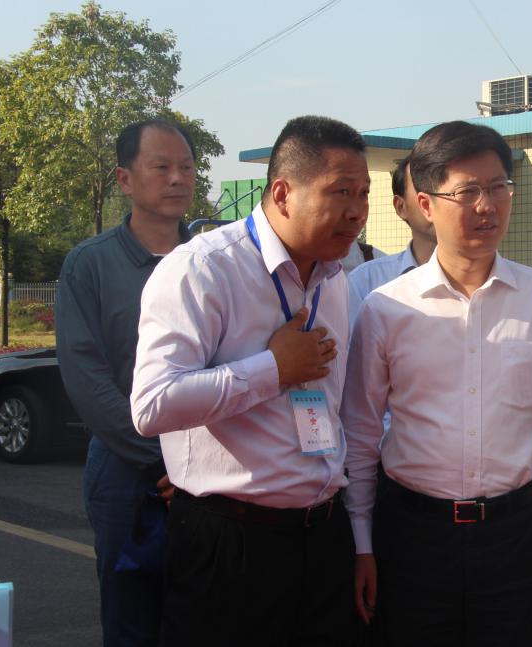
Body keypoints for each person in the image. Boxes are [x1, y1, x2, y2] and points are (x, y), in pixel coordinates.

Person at [343, 120, 532, 647]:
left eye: (499, 187)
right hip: (413, 537)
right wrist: (362, 543)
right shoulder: (386, 307)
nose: (488, 205)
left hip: (517, 535)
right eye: (467, 192)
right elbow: (361, 435)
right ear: (425, 204)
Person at [131, 115, 369, 645]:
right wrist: (274, 369)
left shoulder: (335, 280)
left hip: (322, 534)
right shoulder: (203, 269)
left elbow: (337, 408)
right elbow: (152, 405)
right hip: (231, 545)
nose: (356, 211)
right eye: (340, 192)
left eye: (363, 193)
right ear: (282, 194)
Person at [56, 119, 196, 647]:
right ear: (124, 179)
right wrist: (163, 461)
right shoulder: (89, 265)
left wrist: (196, 463)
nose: (177, 178)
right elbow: (87, 379)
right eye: (161, 167)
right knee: (130, 619)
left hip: (210, 471)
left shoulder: (217, 260)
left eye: (186, 167)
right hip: (126, 469)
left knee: (207, 614)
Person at [347, 157, 436, 322]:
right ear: (400, 206)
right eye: (428, 189)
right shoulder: (366, 280)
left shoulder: (486, 281)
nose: (441, 200)